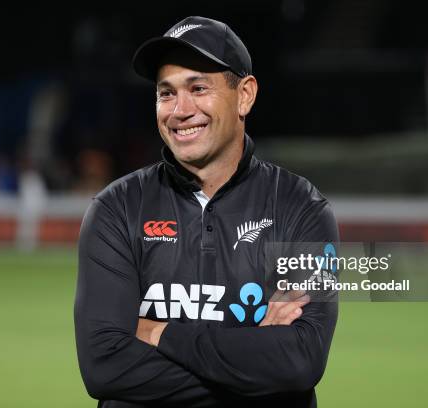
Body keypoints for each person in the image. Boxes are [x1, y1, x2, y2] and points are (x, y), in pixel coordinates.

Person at [74, 16, 339, 408]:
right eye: (166, 94)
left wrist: (157, 333)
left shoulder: (301, 208)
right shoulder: (116, 209)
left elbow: (299, 361)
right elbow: (104, 367)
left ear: (245, 95)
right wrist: (253, 366)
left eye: (198, 88)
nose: (180, 110)